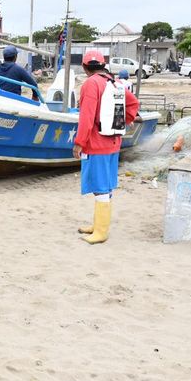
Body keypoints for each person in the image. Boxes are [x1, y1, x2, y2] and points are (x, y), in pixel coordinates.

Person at [72, 50, 140, 244]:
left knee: (100, 186)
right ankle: (98, 225)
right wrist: (124, 122)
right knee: (106, 185)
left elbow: (86, 117)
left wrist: (79, 143)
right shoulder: (115, 82)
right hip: (113, 142)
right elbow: (133, 103)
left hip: (96, 144)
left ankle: (101, 232)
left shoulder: (90, 84)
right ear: (103, 65)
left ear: (85, 67)